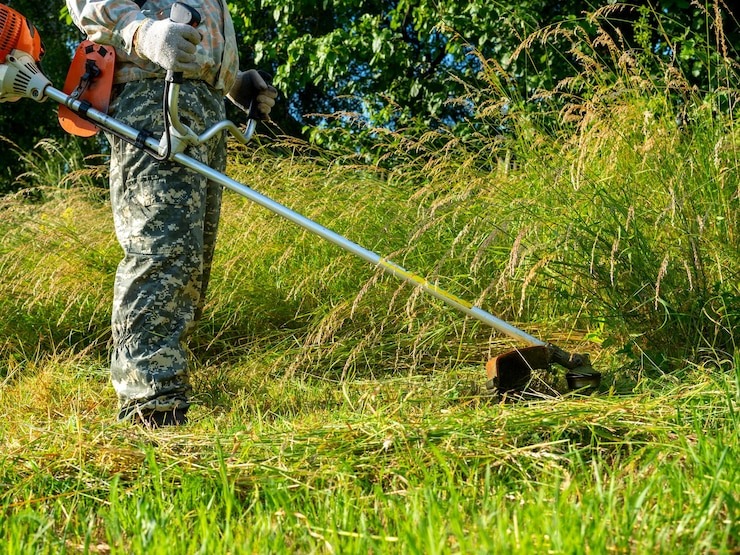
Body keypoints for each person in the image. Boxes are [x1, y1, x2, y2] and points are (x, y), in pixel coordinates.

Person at [66, 0, 277, 427]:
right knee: (159, 248)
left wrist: (233, 82)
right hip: (152, 91)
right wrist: (141, 32)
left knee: (191, 260)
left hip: (205, 104)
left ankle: (167, 387)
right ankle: (150, 405)